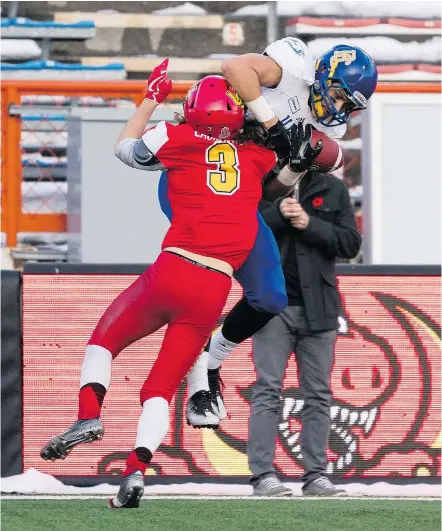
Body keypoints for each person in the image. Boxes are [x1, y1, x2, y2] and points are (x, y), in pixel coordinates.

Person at [40, 60, 280, 508]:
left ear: (192, 109)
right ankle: (135, 469)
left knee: (103, 343)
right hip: (215, 289)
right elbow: (281, 169)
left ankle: (88, 416)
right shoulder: (257, 156)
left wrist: (152, 97)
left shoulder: (176, 137)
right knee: (159, 389)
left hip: (173, 269)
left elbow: (125, 148)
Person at [179, 37, 378, 426]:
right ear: (322, 75)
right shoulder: (293, 67)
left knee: (270, 297)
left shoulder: (326, 133)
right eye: (338, 96)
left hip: (237, 197)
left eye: (347, 105)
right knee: (204, 276)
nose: (337, 109)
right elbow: (234, 67)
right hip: (194, 173)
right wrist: (271, 124)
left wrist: (295, 167)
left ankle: (209, 363)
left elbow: (271, 191)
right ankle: (193, 381)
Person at [248, 126, 362, 496]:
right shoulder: (259, 184)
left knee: (319, 394)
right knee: (268, 390)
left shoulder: (333, 189)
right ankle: (262, 475)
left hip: (320, 309)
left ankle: (316, 475)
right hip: (271, 306)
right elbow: (242, 230)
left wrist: (308, 224)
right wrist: (280, 213)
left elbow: (349, 244)